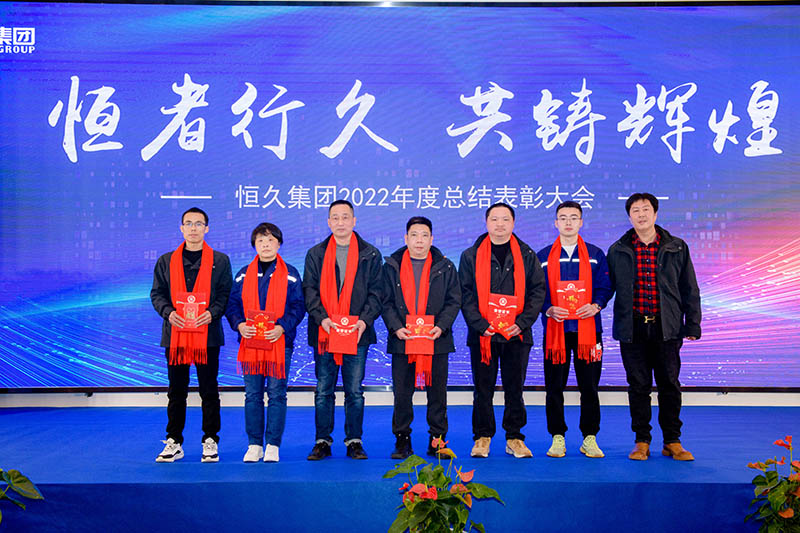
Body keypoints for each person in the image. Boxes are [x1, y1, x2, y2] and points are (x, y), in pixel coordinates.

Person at [607, 193, 701, 461]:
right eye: (635, 210)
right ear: (629, 217)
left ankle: (672, 440)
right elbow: (606, 287)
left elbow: (689, 288)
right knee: (638, 386)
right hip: (632, 328)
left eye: (646, 209)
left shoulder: (677, 247)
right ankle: (641, 441)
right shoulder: (618, 249)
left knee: (669, 384)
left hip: (666, 327)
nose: (641, 215)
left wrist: (693, 324)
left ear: (655, 213)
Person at [459, 202, 545, 458]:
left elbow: (538, 291)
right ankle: (482, 436)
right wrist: (481, 325)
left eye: (505, 219)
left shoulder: (527, 254)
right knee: (482, 389)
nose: (499, 224)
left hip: (517, 334)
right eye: (494, 219)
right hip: (483, 335)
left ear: (513, 223)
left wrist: (522, 323)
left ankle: (515, 437)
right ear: (486, 222)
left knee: (514, 388)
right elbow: (464, 293)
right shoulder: (470, 255)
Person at [303, 199, 383, 460]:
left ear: (354, 221)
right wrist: (322, 318)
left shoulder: (370, 254)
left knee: (354, 391)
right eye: (335, 217)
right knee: (323, 390)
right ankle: (322, 441)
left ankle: (354, 441)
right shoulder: (315, 254)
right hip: (325, 332)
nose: (340, 222)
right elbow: (309, 291)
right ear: (328, 222)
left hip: (356, 334)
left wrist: (364, 321)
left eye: (345, 217)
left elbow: (377, 293)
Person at [150, 207, 232, 463]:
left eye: (198, 223)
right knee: (176, 391)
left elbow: (225, 295)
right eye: (189, 223)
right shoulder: (166, 261)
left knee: (209, 390)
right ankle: (174, 440)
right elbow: (157, 294)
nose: (193, 228)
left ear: (207, 228)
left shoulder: (220, 260)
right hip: (175, 335)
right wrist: (168, 313)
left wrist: (212, 313)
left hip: (207, 335)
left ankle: (210, 439)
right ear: (181, 228)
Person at [537, 201, 612, 459]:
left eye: (573, 217)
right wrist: (547, 308)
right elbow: (536, 291)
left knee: (589, 387)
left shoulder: (595, 254)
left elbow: (605, 286)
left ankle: (589, 438)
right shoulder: (543, 256)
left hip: (588, 331)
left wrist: (596, 305)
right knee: (554, 387)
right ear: (555, 223)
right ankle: (557, 437)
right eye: (563, 217)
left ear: (581, 222)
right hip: (555, 332)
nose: (568, 222)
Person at [382, 216, 462, 459]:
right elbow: (385, 301)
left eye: (424, 235)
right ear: (406, 238)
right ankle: (402, 439)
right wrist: (396, 327)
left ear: (431, 239)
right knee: (402, 394)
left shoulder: (446, 267)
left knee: (437, 394)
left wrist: (441, 326)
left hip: (436, 340)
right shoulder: (391, 266)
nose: (419, 240)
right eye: (414, 235)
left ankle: (437, 440)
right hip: (403, 339)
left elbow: (454, 300)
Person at [226, 223, 305, 463]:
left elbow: (298, 306)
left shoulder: (291, 273)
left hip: (279, 343)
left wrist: (282, 327)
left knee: (277, 394)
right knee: (252, 395)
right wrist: (239, 324)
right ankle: (254, 444)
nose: (266, 245)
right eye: (261, 241)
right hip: (251, 343)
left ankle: (272, 444)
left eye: (270, 240)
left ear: (279, 244)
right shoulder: (243, 274)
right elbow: (232, 305)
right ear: (254, 245)